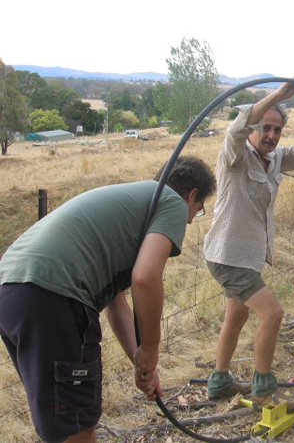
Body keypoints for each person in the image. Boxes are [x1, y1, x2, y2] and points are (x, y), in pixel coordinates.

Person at [0, 156, 216, 443]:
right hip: (54, 297)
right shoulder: (172, 201)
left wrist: (142, 365)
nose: (190, 219)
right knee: (77, 425)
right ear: (192, 195)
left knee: (61, 419)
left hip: (13, 292)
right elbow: (145, 278)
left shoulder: (133, 201)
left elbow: (117, 305)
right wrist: (151, 349)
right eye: (198, 210)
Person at [203, 76, 294, 410]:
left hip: (247, 256)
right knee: (273, 314)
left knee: (235, 319)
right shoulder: (234, 157)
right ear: (255, 127)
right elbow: (235, 130)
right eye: (266, 127)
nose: (271, 135)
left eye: (277, 130)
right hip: (228, 255)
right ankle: (264, 392)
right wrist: (281, 94)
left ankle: (220, 381)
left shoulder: (277, 158)